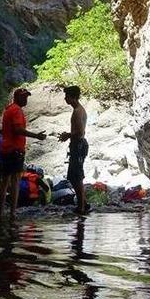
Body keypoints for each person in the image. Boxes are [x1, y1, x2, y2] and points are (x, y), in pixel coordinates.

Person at [0, 87, 46, 218]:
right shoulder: (17, 111)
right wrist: (36, 136)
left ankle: (2, 211)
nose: (26, 99)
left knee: (4, 181)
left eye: (27, 97)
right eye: (24, 97)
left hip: (6, 149)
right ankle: (13, 212)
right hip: (15, 151)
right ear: (17, 97)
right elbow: (18, 129)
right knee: (15, 181)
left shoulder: (8, 109)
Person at [59, 85, 89, 214]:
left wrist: (67, 135)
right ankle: (84, 204)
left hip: (79, 145)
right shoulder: (79, 109)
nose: (65, 98)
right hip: (78, 145)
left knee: (76, 176)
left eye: (67, 96)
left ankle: (82, 207)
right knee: (73, 176)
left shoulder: (78, 111)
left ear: (72, 97)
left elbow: (80, 132)